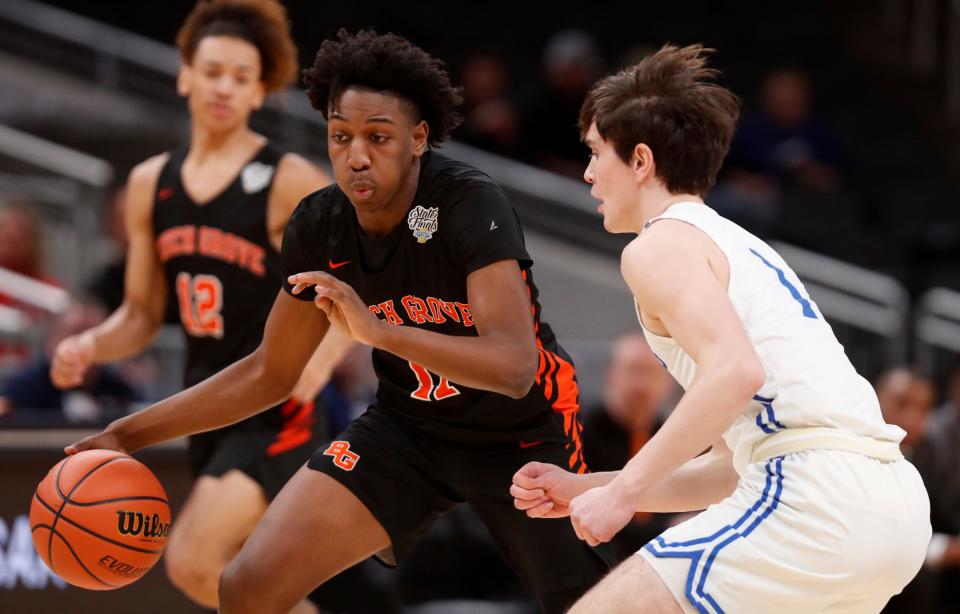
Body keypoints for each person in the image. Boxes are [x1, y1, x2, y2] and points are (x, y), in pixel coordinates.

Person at [66, 29, 611, 614]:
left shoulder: (465, 202)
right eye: (340, 136)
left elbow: (513, 367)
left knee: (587, 604)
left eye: (378, 137)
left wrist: (379, 333)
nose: (356, 155)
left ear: (418, 138)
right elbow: (268, 375)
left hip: (522, 434)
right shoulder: (320, 224)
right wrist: (128, 434)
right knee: (245, 587)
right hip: (409, 431)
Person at [511, 44, 930, 613]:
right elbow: (734, 466)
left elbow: (735, 371)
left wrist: (624, 495)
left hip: (815, 496)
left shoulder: (658, 245)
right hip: (891, 507)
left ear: (639, 161)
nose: (586, 174)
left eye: (593, 153)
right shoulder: (740, 245)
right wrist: (597, 489)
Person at [48, 1, 346, 611]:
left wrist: (316, 364)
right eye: (212, 71)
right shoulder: (149, 184)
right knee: (243, 582)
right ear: (184, 74)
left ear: (261, 89)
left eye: (241, 77)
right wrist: (90, 344)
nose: (223, 88)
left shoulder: (286, 177)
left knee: (192, 560)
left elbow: (358, 285)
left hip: (275, 406)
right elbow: (139, 313)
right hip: (205, 404)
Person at [581, 333, 678, 561]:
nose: (641, 385)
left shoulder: (671, 438)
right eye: (633, 371)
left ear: (668, 382)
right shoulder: (579, 430)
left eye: (652, 373)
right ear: (611, 375)